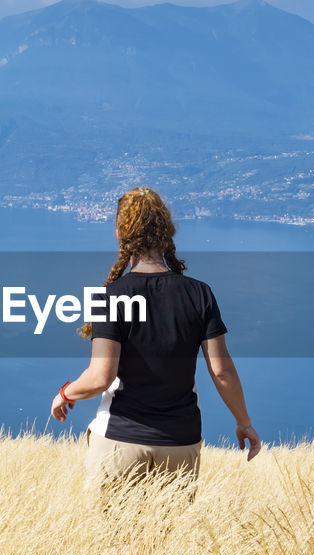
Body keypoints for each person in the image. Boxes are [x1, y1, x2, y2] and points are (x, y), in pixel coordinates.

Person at [50, 186, 261, 501]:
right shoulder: (200, 293)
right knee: (168, 544)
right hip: (181, 442)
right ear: (166, 231)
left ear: (122, 233)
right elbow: (222, 372)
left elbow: (100, 377)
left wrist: (65, 393)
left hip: (121, 441)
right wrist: (244, 422)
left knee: (113, 544)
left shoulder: (111, 296)